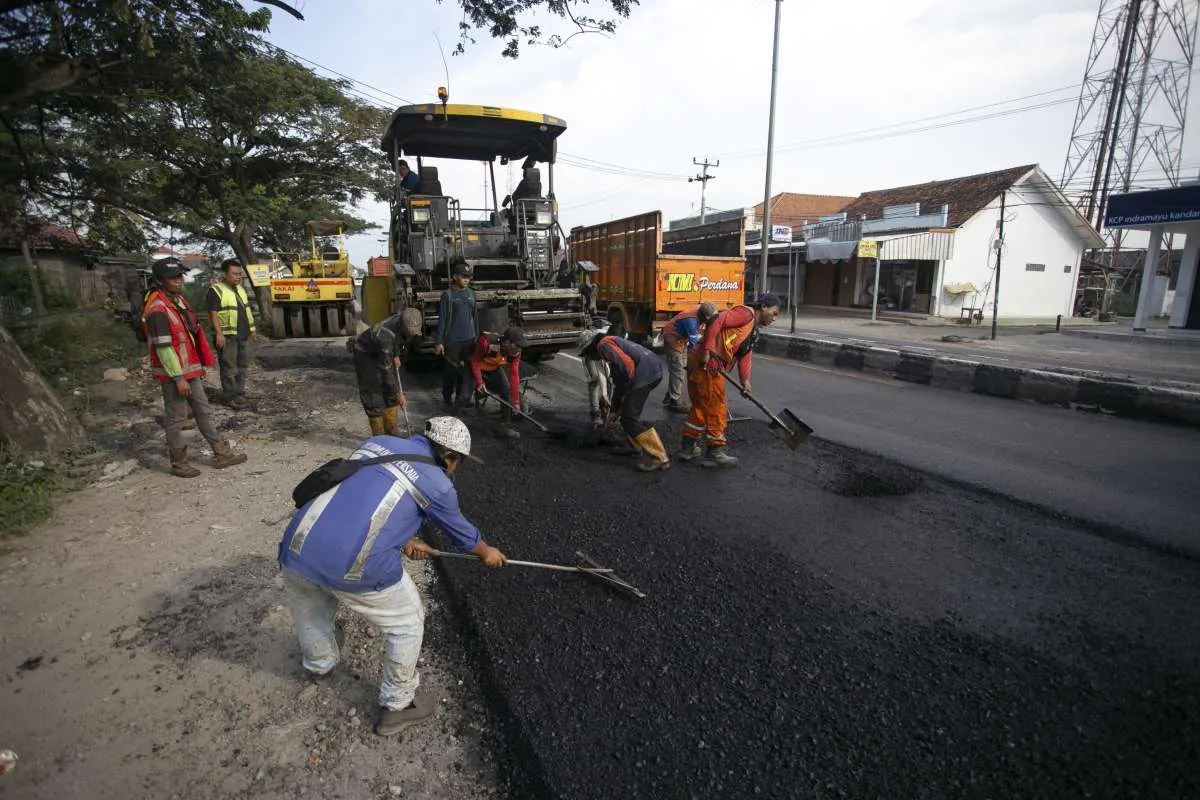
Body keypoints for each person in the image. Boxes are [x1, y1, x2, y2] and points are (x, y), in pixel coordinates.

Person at [277, 417, 507, 737]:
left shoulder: (378, 443)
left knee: (310, 605)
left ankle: (319, 664)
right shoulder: (439, 485)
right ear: (450, 457)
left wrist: (403, 539)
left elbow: (363, 498)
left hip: (297, 549)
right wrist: (487, 552)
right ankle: (397, 706)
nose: (456, 470)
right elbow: (464, 537)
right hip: (348, 567)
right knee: (409, 620)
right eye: (459, 464)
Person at [142, 257, 248, 477]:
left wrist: (196, 368)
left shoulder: (178, 302)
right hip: (175, 375)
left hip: (189, 371)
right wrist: (178, 378)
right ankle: (179, 463)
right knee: (175, 418)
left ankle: (222, 453)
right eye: (173, 277)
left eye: (180, 275)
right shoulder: (158, 309)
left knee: (203, 410)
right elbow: (164, 349)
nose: (179, 280)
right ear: (160, 280)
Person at [681, 293, 782, 468]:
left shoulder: (752, 331)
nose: (774, 319)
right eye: (774, 313)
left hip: (701, 361)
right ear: (763, 307)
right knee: (716, 407)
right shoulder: (746, 313)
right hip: (708, 363)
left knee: (701, 406)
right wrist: (707, 350)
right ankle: (715, 451)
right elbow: (716, 321)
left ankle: (687, 447)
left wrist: (745, 380)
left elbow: (745, 355)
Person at [580, 331, 670, 473]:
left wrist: (628, 393)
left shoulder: (603, 345)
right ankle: (634, 447)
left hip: (645, 374)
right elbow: (619, 380)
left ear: (591, 346)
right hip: (652, 369)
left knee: (629, 418)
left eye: (588, 353)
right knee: (626, 415)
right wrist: (615, 410)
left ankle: (658, 456)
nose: (591, 357)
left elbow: (627, 366)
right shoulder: (612, 342)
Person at [352, 308, 421, 436]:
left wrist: (395, 354)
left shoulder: (402, 321)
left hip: (382, 349)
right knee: (374, 393)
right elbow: (386, 370)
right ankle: (379, 436)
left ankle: (392, 430)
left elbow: (398, 340)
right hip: (366, 354)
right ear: (402, 326)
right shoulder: (385, 337)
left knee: (390, 392)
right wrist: (398, 393)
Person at [206, 258, 257, 409]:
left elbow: (247, 310)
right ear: (225, 274)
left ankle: (239, 393)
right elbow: (213, 313)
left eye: (239, 274)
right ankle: (229, 396)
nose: (238, 276)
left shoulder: (241, 289)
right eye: (234, 274)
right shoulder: (216, 290)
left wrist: (252, 330)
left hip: (244, 334)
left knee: (243, 365)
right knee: (229, 367)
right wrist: (219, 334)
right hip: (227, 336)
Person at [468, 326, 528, 440]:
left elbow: (514, 375)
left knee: (506, 391)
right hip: (474, 365)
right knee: (464, 396)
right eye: (518, 345)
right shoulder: (486, 342)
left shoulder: (515, 352)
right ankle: (455, 416)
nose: (520, 349)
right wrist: (480, 382)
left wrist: (515, 402)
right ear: (507, 343)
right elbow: (474, 361)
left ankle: (504, 425)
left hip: (492, 367)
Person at [432, 262, 478, 408]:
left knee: (464, 372)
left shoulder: (471, 293)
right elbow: (443, 319)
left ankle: (461, 399)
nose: (467, 280)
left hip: (469, 340)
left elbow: (475, 317)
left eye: (468, 277)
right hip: (453, 341)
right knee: (450, 372)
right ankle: (447, 397)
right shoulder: (448, 295)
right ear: (454, 277)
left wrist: (476, 337)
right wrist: (439, 342)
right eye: (463, 277)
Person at [660, 301, 718, 414]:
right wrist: (706, 356)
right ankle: (675, 401)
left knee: (684, 366)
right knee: (678, 370)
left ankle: (670, 396)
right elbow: (694, 345)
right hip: (673, 338)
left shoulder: (702, 310)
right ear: (704, 317)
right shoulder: (691, 321)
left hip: (682, 339)